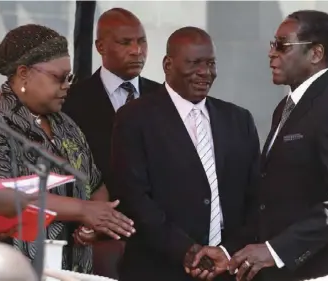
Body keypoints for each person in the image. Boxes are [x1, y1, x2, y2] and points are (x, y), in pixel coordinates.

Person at [193, 10, 328, 281]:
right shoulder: (286, 107)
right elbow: (270, 200)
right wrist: (229, 251)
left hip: (314, 272)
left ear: (315, 54)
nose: (271, 53)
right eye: (271, 44)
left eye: (282, 45)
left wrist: (275, 251)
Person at [110, 26, 260, 281]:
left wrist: (226, 250)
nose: (205, 72)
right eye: (194, 63)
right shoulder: (134, 117)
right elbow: (133, 197)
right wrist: (186, 250)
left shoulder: (239, 119)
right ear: (168, 64)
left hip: (227, 269)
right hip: (158, 269)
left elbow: (256, 195)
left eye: (211, 63)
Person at [0, 24, 135, 274]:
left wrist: (91, 225)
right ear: (24, 73)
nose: (67, 85)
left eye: (70, 77)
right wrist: (82, 210)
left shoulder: (66, 125)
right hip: (11, 269)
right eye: (59, 77)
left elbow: (96, 185)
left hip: (72, 268)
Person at [62, 8, 161, 188]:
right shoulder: (71, 101)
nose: (137, 51)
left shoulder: (165, 98)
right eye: (125, 42)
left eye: (142, 41)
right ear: (100, 47)